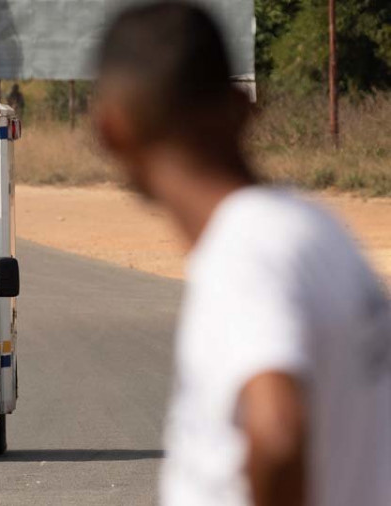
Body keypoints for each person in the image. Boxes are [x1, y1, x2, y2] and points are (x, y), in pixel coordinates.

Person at [94, 4, 391, 506]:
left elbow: (277, 433)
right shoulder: (317, 229)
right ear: (244, 105)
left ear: (112, 131)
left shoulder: (242, 251)